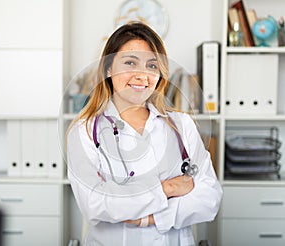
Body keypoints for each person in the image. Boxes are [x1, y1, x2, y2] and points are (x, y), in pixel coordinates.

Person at [66, 22, 222, 246]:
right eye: (130, 62)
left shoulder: (182, 125)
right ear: (108, 69)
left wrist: (150, 219)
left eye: (151, 66)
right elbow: (95, 203)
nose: (143, 76)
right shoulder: (85, 131)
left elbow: (209, 198)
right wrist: (166, 189)